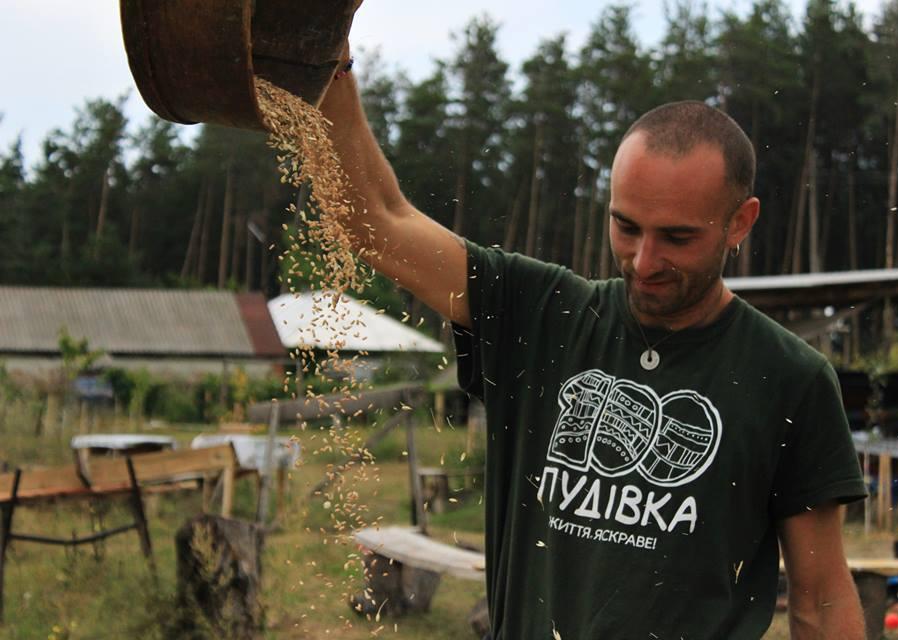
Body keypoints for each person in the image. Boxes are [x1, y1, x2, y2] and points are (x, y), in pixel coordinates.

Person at [319, 45, 868, 639]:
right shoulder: (537, 315)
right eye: (625, 226)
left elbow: (820, 599)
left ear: (740, 222)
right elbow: (372, 219)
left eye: (677, 237)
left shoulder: (789, 378)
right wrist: (330, 60)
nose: (644, 260)